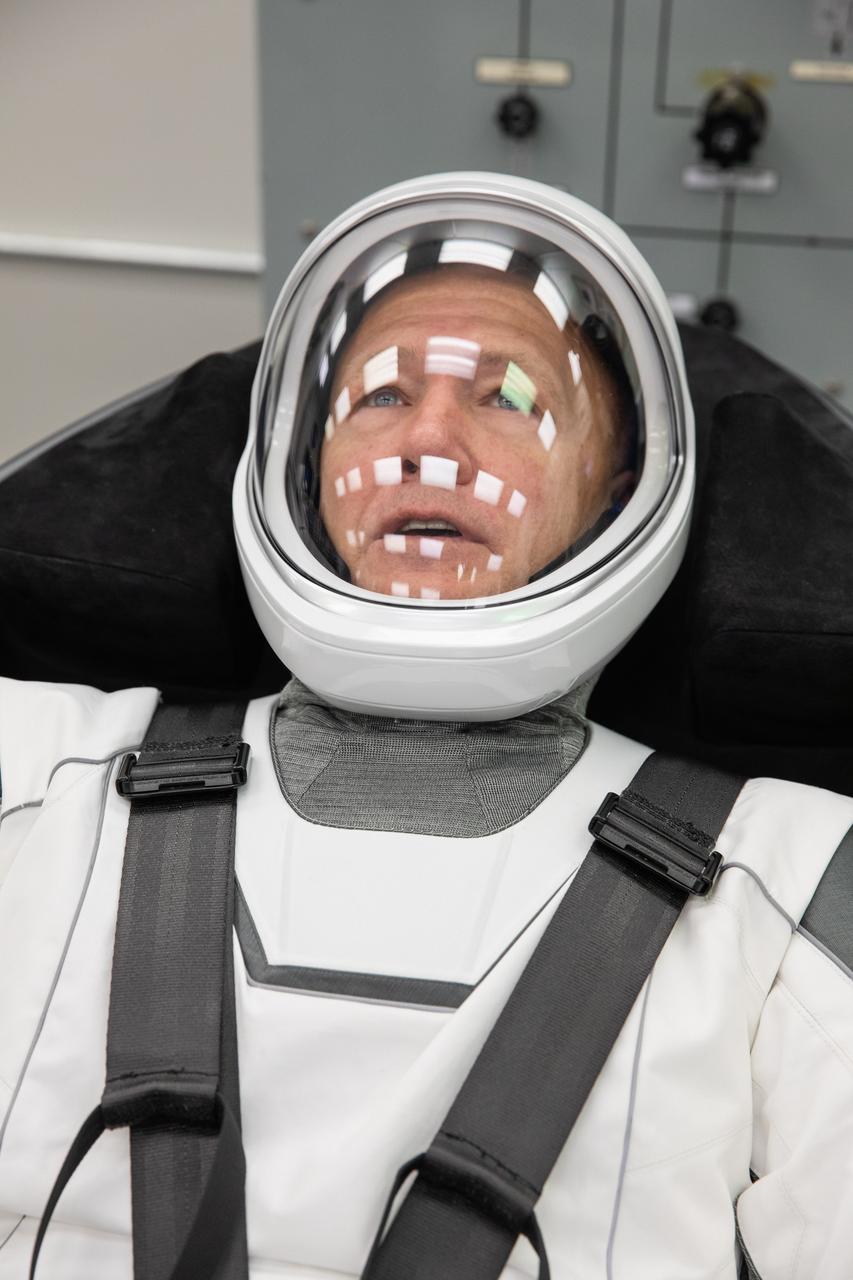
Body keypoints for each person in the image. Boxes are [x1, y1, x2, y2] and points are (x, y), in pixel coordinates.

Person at [0, 172, 851, 1279]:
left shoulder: (790, 877)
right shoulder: (35, 771)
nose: (431, 434)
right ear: (304, 472)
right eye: (378, 398)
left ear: (617, 486)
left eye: (508, 400)